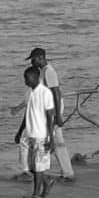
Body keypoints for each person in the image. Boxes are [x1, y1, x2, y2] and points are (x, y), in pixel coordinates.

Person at [26, 46, 73, 180]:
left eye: (33, 59)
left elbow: (56, 93)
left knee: (55, 140)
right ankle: (63, 171)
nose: (32, 63)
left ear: (41, 58)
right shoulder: (43, 71)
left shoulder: (48, 71)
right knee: (55, 140)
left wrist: (58, 115)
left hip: (53, 110)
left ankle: (65, 173)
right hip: (49, 109)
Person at [15, 62, 56, 198]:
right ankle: (47, 180)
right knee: (27, 166)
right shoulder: (29, 92)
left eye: (27, 78)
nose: (25, 81)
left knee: (38, 167)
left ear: (35, 78)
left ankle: (36, 194)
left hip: (41, 135)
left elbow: (51, 116)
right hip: (28, 134)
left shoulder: (46, 93)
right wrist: (19, 131)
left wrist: (51, 138)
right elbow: (27, 113)